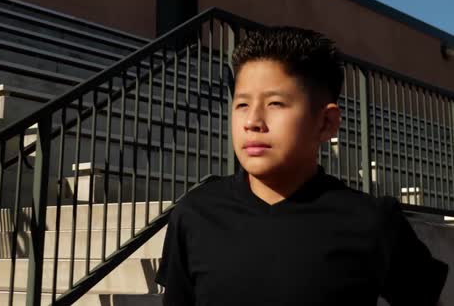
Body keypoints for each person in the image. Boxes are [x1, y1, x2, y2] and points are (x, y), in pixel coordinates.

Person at [154, 26, 449, 306]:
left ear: (326, 123)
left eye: (275, 104)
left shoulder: (373, 221)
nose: (252, 121)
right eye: (242, 104)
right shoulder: (195, 214)